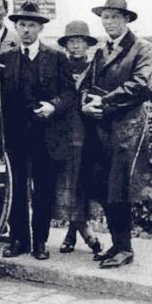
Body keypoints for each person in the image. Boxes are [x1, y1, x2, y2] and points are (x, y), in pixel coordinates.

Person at [80, 0, 152, 269]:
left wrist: (104, 101)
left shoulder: (142, 49)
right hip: (102, 129)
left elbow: (141, 85)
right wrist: (86, 102)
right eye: (105, 17)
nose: (108, 22)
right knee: (105, 187)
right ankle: (118, 244)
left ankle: (125, 248)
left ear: (126, 19)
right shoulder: (102, 51)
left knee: (120, 188)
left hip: (128, 130)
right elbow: (87, 83)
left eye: (114, 17)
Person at [0, 1, 75, 260]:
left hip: (46, 135)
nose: (26, 30)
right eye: (22, 25)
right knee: (16, 187)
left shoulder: (56, 58)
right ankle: (19, 239)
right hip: (16, 135)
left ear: (41, 28)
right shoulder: (5, 59)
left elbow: (69, 94)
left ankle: (40, 242)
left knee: (43, 189)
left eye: (32, 25)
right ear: (16, 27)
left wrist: (53, 106)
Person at [54, 20, 103, 256]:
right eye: (71, 42)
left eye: (79, 41)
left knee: (82, 186)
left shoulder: (95, 69)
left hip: (89, 135)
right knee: (68, 186)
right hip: (63, 135)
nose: (75, 47)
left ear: (87, 44)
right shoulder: (59, 66)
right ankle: (80, 233)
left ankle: (74, 233)